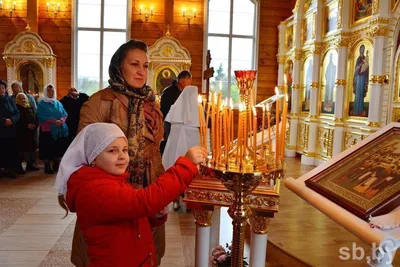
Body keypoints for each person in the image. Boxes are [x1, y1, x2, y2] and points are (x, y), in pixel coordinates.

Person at [55, 123, 205, 267]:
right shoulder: (93, 189)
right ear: (93, 157)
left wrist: (154, 215)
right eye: (112, 151)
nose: (122, 156)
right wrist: (186, 166)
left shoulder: (113, 180)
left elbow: (129, 214)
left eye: (125, 150)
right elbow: (142, 202)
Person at [75, 39, 167, 267]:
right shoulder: (99, 102)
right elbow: (85, 155)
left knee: (148, 254)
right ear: (119, 66)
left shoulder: (151, 104)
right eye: (134, 64)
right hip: (112, 196)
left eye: (145, 66)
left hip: (149, 191)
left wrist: (162, 188)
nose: (141, 71)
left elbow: (155, 150)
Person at [162, 85, 200, 210]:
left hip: (180, 145)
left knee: (183, 169)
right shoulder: (197, 110)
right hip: (184, 145)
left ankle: (184, 199)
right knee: (181, 170)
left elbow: (167, 126)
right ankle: (177, 198)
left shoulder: (176, 108)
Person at [37, 84, 69, 174]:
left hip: (59, 129)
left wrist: (61, 120)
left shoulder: (58, 103)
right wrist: (54, 121)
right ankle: (47, 166)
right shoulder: (41, 103)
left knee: (57, 147)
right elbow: (41, 116)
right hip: (47, 130)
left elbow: (64, 113)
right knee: (47, 148)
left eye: (52, 91)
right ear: (45, 92)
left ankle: (56, 164)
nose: (51, 93)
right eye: (49, 91)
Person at [159, 70, 192, 155]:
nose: (189, 85)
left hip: (183, 126)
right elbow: (165, 111)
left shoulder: (186, 93)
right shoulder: (168, 92)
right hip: (171, 126)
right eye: (188, 83)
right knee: (171, 150)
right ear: (181, 81)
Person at [0, 80, 20, 178]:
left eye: (3, 88)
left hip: (11, 130)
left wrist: (12, 120)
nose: (1, 90)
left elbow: (17, 113)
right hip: (1, 130)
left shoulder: (10, 100)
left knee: (10, 150)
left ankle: (10, 170)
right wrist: (4, 121)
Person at [15, 93, 39, 172]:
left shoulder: (30, 108)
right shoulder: (16, 109)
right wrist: (26, 126)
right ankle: (19, 167)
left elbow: (36, 117)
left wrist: (35, 125)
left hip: (32, 132)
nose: (23, 100)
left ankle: (30, 165)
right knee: (22, 151)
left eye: (24, 98)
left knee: (31, 149)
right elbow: (17, 121)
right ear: (17, 100)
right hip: (22, 133)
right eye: (21, 99)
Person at [352, 44, 369, 116]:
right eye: (361, 49)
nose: (362, 50)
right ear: (359, 50)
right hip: (358, 78)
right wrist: (359, 66)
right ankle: (356, 110)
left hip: (363, 78)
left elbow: (367, 68)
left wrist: (365, 65)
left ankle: (361, 110)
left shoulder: (365, 58)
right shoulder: (358, 59)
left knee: (361, 94)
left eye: (363, 49)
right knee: (358, 93)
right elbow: (356, 69)